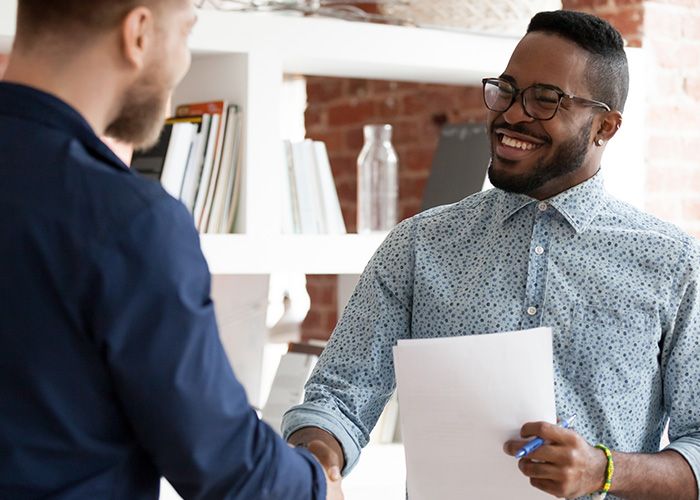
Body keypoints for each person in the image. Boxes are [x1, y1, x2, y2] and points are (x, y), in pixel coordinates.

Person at [283, 10, 700, 500]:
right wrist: (319, 462)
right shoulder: (418, 247)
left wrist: (602, 470)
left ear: (604, 127)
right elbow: (338, 398)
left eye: (545, 99)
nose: (512, 114)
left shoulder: (673, 264)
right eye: (506, 90)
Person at [0, 1, 343, 499]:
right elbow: (222, 460)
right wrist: (316, 488)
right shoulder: (127, 221)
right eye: (185, 33)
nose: (183, 63)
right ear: (137, 33)